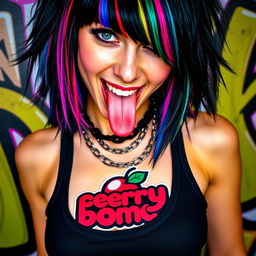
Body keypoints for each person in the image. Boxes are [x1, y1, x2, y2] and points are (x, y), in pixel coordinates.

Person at [15, 0, 246, 255]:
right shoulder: (37, 157)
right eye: (107, 36)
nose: (127, 72)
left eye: (153, 46)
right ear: (71, 34)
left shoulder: (210, 142)